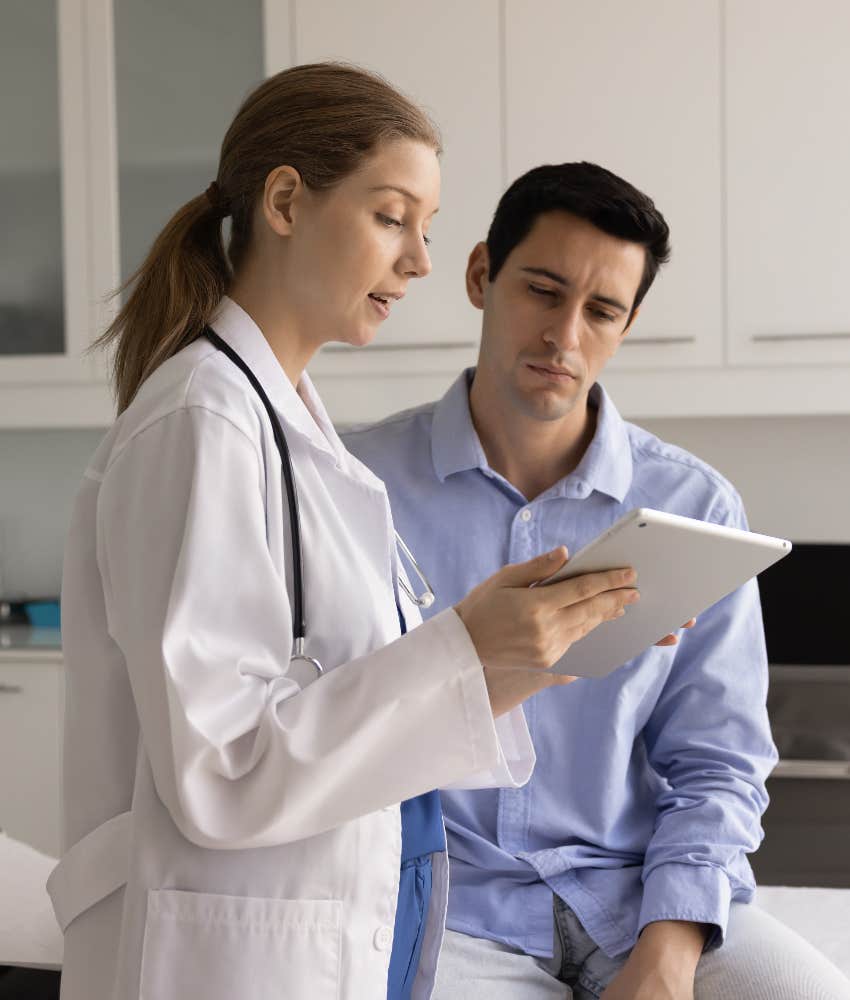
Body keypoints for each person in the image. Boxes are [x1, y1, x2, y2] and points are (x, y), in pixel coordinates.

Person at [46, 68, 645, 1000]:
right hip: (229, 953)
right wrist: (461, 649)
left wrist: (510, 661)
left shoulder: (292, 431)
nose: (418, 262)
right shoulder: (201, 423)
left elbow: (345, 706)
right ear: (286, 200)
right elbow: (222, 768)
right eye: (392, 218)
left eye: (426, 230)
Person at [344, 162, 850, 999]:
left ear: (629, 323)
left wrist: (669, 950)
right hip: (450, 907)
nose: (564, 336)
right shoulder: (360, 485)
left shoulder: (695, 505)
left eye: (602, 310)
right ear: (481, 276)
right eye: (542, 291)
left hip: (641, 898)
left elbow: (718, 762)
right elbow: (338, 722)